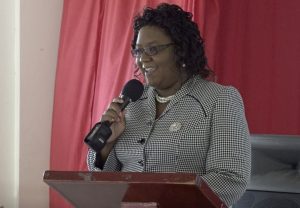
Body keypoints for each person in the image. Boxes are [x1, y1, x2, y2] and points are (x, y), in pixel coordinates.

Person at [87, 3, 251, 207]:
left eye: (153, 49)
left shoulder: (219, 100)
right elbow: (101, 180)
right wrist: (107, 145)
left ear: (181, 50)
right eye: (138, 51)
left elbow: (229, 180)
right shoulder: (131, 103)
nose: (142, 59)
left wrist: (158, 200)